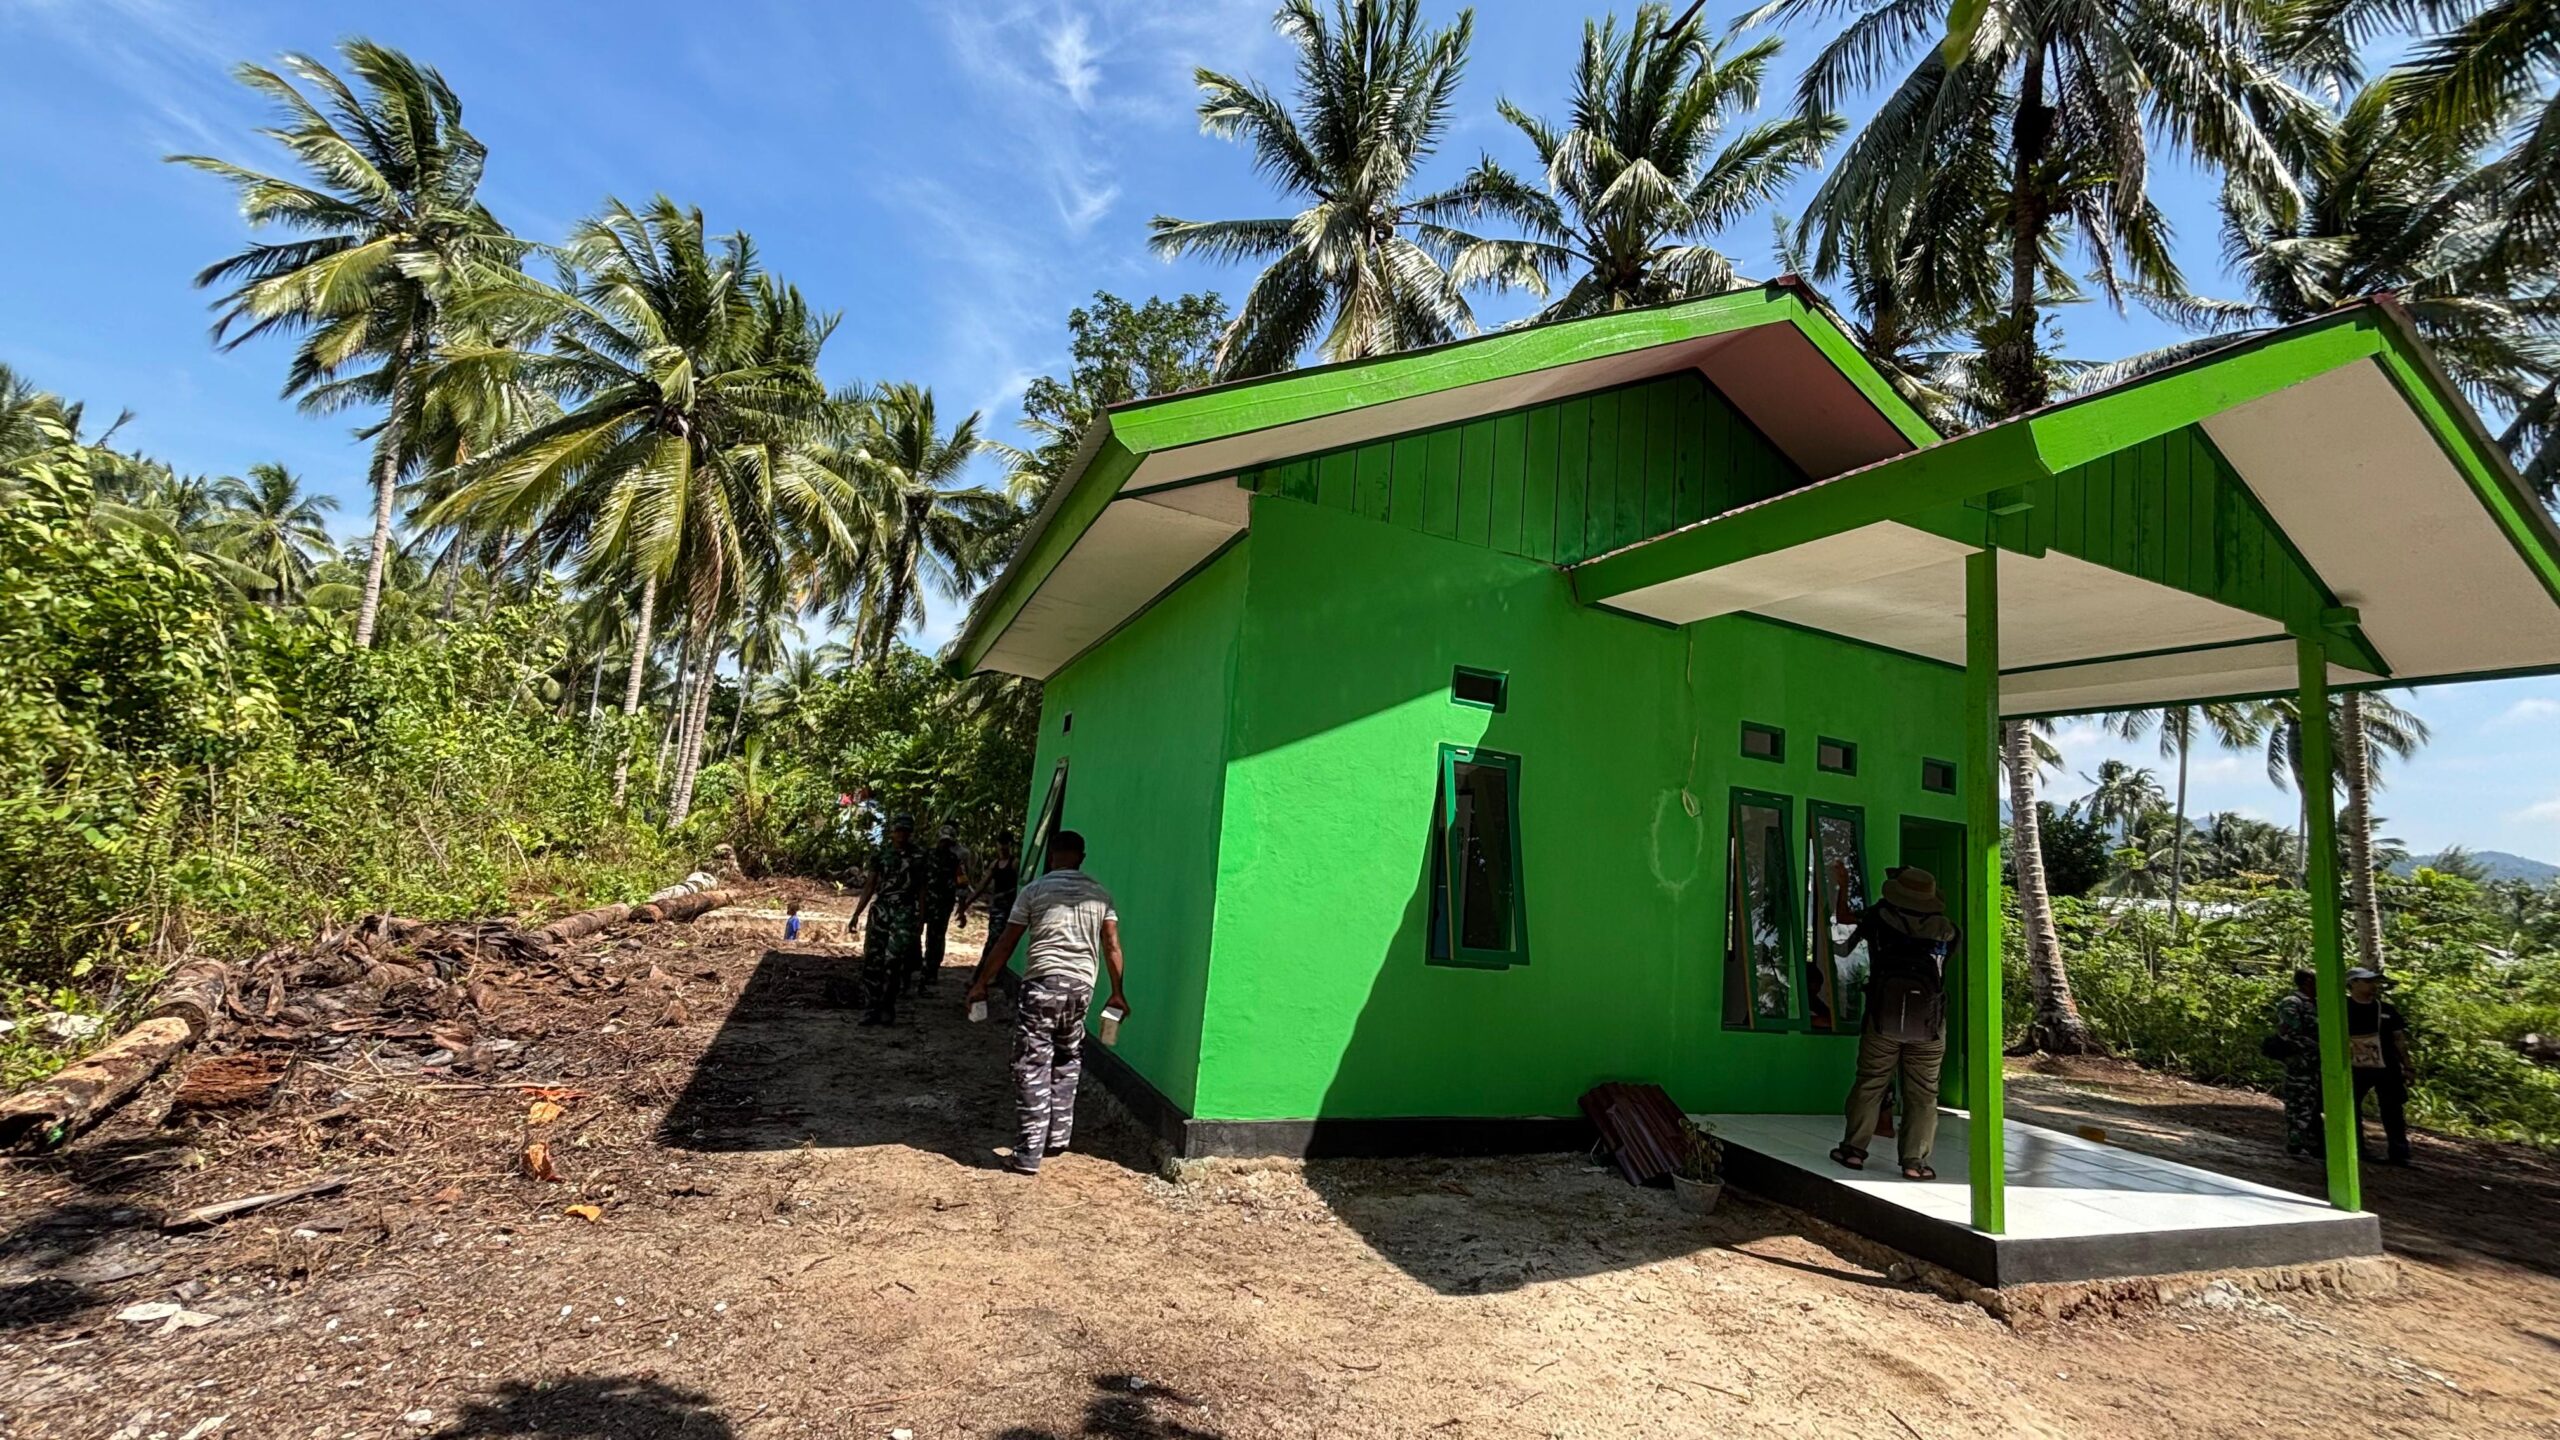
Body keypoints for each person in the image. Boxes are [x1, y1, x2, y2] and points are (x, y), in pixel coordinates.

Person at [964, 829, 1127, 1176]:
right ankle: (1056, 1138)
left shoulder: (1034, 890)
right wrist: (1117, 991)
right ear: (1081, 857)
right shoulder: (1101, 895)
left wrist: (981, 982)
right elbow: (1112, 945)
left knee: (1032, 1063)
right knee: (1068, 1057)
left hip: (1043, 985)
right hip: (1081, 988)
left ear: (1052, 856)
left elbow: (1007, 942)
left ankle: (1027, 1154)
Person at [1829, 865, 1959, 1181]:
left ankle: (1853, 1152)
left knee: (1871, 1081)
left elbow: (1845, 919)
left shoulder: (1879, 917)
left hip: (1882, 1018)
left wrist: (1843, 885)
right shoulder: (1949, 930)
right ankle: (1915, 1162)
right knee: (1924, 1093)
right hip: (1929, 1024)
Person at [848, 815, 927, 1026]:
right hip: (881, 910)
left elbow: (921, 888)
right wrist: (857, 913)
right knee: (873, 961)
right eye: (899, 830)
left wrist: (921, 918)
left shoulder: (919, 855)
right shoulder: (881, 855)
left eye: (906, 831)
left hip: (905, 911)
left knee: (894, 960)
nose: (902, 834)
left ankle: (888, 1005)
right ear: (892, 832)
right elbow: (870, 885)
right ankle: (871, 1007)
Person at [2346, 966, 2415, 1166]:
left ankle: (2399, 1153)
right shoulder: (2341, 1007)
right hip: (2354, 1067)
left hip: (2387, 1067)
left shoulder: (2386, 1010)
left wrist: (2408, 1067)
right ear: (2353, 983)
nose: (2373, 985)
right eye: (2367, 981)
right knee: (2351, 1108)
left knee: (2393, 1109)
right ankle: (2357, 1148)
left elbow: (2399, 1040)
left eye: (2374, 982)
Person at [2271, 968, 2324, 1160]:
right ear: (2308, 981)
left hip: (2317, 1065)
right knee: (2299, 1103)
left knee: (2313, 1104)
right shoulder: (2292, 1003)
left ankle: (2313, 1143)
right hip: (2301, 1065)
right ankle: (2296, 1143)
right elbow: (2289, 1035)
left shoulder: (2318, 1004)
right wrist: (2317, 1047)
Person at [917, 823, 970, 991]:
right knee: (914, 934)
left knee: (936, 939)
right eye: (943, 841)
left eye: (948, 842)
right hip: (924, 902)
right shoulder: (927, 856)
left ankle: (931, 971)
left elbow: (962, 885)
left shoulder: (954, 861)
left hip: (942, 906)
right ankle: (915, 968)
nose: (945, 844)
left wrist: (961, 911)